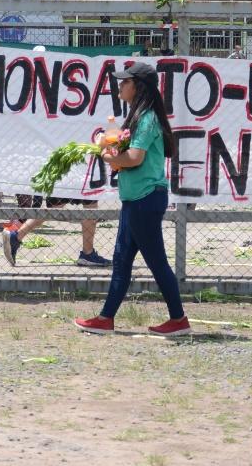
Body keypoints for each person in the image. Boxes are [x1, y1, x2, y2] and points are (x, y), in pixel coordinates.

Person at [74, 62, 189, 337]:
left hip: (145, 199)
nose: (120, 86)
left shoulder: (147, 118)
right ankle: (106, 318)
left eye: (125, 82)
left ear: (139, 86)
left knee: (156, 262)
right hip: (136, 200)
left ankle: (179, 320)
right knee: (122, 258)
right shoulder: (141, 116)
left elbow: (134, 159)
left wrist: (107, 155)